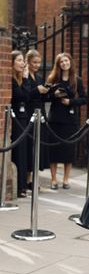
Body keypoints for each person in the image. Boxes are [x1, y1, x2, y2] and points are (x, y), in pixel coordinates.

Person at [46, 53, 87, 189]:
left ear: (70, 62)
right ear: (58, 65)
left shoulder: (77, 80)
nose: (64, 63)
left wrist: (70, 101)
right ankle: (53, 180)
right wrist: (54, 95)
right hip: (55, 119)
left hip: (70, 120)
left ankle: (66, 180)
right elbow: (45, 97)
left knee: (68, 150)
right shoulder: (53, 78)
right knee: (54, 151)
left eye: (66, 60)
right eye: (61, 61)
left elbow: (84, 99)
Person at [25, 49, 50, 189]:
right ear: (28, 62)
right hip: (29, 115)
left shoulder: (40, 78)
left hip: (40, 114)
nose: (37, 65)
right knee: (29, 145)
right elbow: (25, 95)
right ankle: (27, 179)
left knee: (38, 146)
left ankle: (34, 178)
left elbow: (43, 98)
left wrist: (48, 92)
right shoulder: (24, 76)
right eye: (34, 62)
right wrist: (37, 91)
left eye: (39, 63)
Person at [11, 50, 30, 197]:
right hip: (14, 119)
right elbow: (22, 95)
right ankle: (18, 187)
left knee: (23, 152)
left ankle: (22, 186)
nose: (22, 63)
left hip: (23, 119)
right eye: (19, 60)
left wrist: (24, 79)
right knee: (17, 152)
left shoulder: (20, 79)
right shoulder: (11, 80)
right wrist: (26, 79)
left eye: (23, 60)